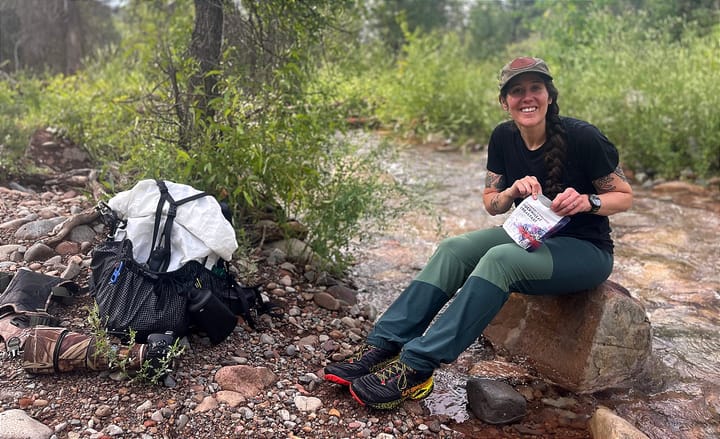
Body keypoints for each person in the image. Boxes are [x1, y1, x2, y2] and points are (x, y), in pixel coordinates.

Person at [323, 56, 633, 410]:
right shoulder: (503, 137)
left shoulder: (584, 137)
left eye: (535, 88)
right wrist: (512, 192)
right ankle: (384, 343)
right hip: (529, 234)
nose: (527, 97)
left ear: (549, 94)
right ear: (505, 101)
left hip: (585, 250)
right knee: (454, 248)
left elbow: (623, 197)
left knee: (500, 260)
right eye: (517, 91)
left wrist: (588, 201)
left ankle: (417, 368)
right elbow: (492, 203)